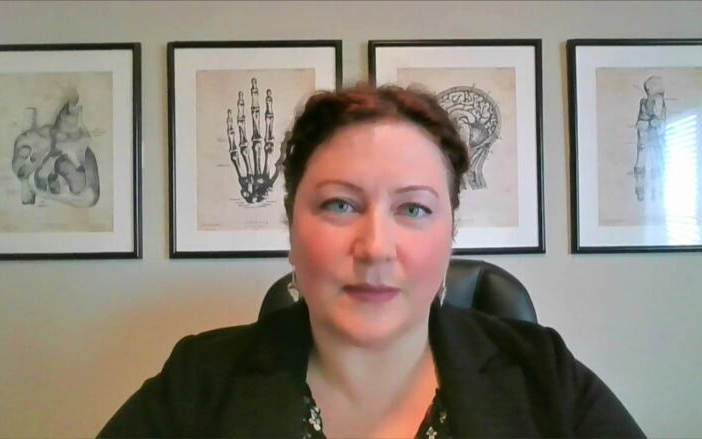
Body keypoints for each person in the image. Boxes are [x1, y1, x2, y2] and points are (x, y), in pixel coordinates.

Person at [98, 85, 645, 438]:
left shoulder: (543, 376)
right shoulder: (199, 383)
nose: (376, 246)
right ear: (291, 227)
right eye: (340, 204)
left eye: (413, 208)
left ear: (450, 235)